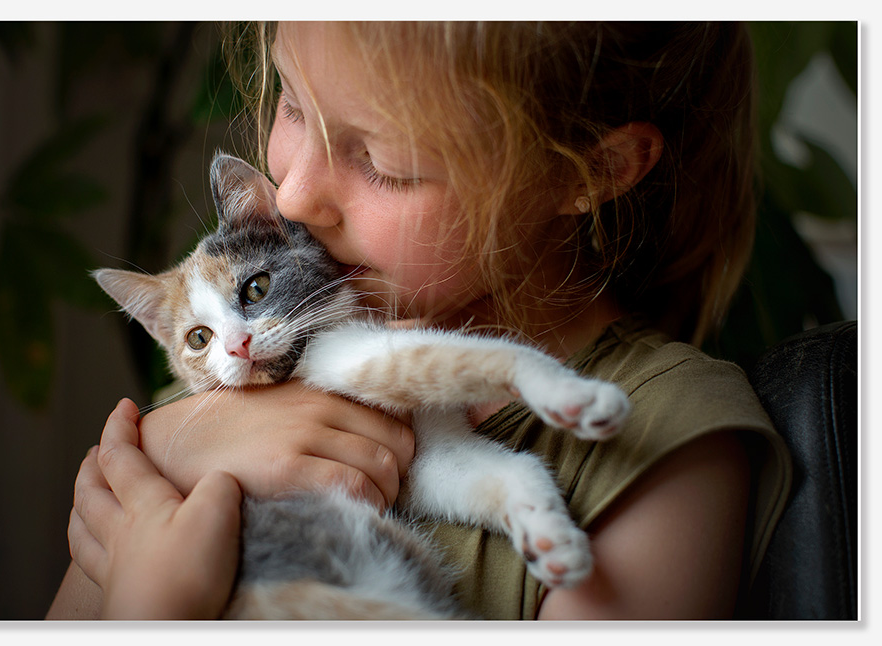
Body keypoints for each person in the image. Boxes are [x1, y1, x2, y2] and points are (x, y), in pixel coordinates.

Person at [47, 21, 792, 620]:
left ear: (587, 171)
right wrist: (174, 445)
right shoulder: (216, 401)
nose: (295, 195)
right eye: (292, 104)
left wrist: (153, 612)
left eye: (386, 163)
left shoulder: (669, 442)